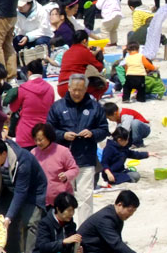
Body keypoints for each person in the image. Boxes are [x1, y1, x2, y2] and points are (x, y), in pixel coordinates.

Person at [47, 73, 110, 224]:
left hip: (86, 158)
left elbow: (104, 130)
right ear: (68, 88)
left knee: (85, 198)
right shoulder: (58, 106)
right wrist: (63, 135)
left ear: (86, 89)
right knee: (62, 198)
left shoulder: (95, 107)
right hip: (62, 161)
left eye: (80, 90)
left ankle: (84, 232)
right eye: (74, 89)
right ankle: (63, 229)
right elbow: (49, 130)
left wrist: (92, 133)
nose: (76, 93)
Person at [9, 59, 54, 150]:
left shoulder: (23, 88)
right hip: (44, 133)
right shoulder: (50, 88)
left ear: (29, 73)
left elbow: (13, 108)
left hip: (25, 133)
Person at [31, 122, 78, 207]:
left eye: (40, 140)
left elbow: (74, 169)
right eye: (35, 140)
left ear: (48, 137)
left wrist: (66, 175)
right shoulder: (33, 153)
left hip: (61, 200)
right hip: (40, 200)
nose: (38, 143)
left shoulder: (63, 151)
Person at [55, 29, 106, 100]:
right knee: (104, 85)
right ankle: (92, 104)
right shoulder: (84, 51)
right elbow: (99, 67)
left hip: (61, 88)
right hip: (76, 86)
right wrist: (95, 54)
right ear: (85, 41)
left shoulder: (66, 52)